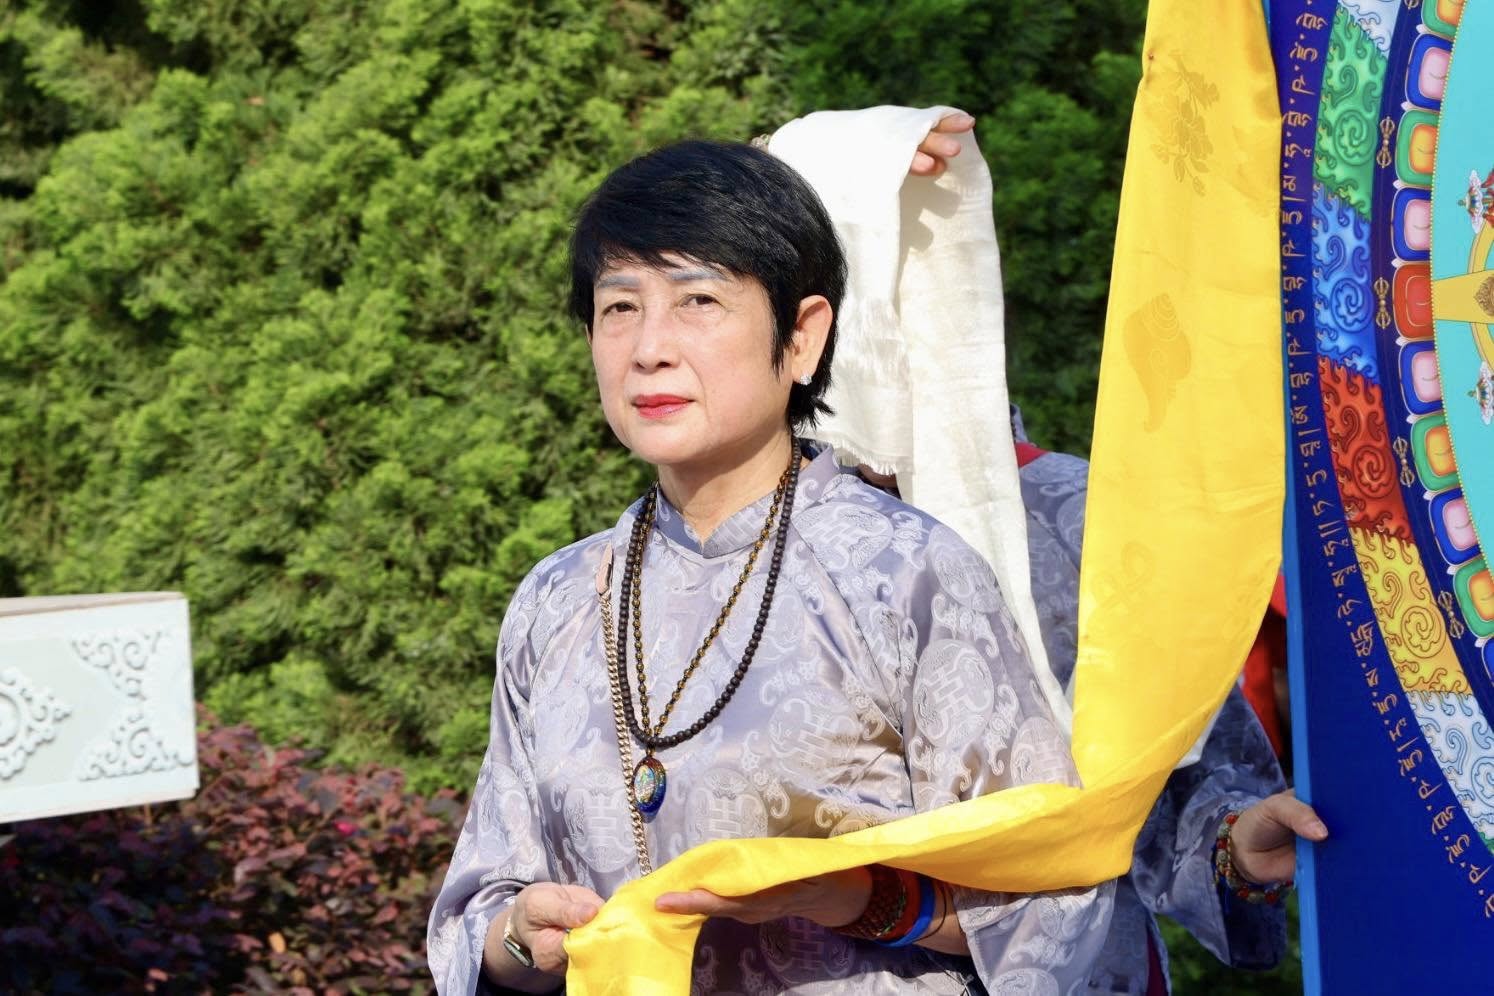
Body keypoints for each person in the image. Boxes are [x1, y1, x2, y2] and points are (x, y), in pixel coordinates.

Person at [427, 139, 1112, 995]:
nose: (650, 348)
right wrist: (522, 939)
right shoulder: (558, 597)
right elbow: (481, 910)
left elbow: (1057, 892)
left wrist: (857, 898)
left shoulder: (903, 572)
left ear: (802, 336)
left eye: (700, 301)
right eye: (620, 307)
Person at [765, 108, 1327, 994]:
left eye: (932, 272)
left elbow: (1180, 798)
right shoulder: (707, 548)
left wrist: (1237, 844)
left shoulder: (1075, 511)